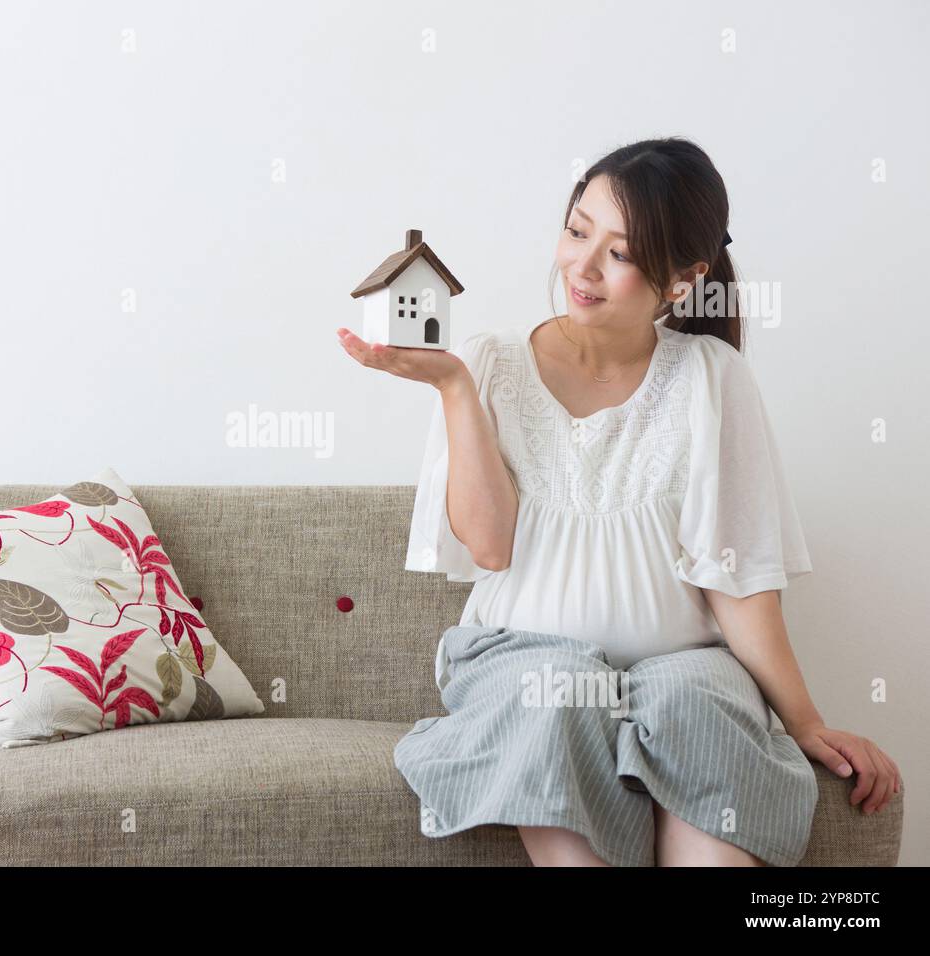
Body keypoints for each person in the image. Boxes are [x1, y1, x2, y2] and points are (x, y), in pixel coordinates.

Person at [336, 136, 901, 867]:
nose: (582, 265)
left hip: (684, 667)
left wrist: (807, 721)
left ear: (681, 279)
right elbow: (489, 547)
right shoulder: (487, 363)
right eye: (577, 232)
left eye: (621, 253)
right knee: (559, 696)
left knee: (695, 704)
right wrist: (452, 387)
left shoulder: (712, 378)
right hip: (522, 661)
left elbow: (737, 581)